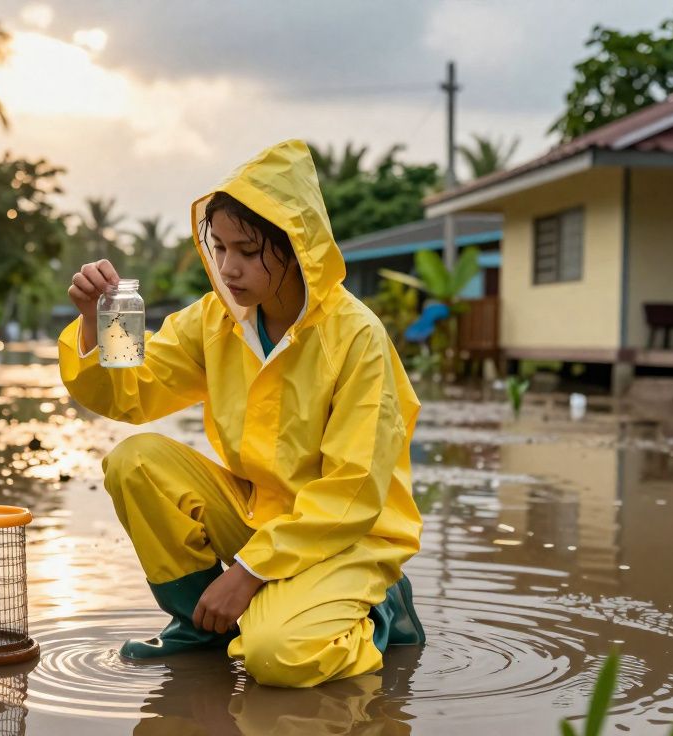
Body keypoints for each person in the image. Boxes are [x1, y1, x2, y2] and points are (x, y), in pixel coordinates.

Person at [58, 139, 425, 689]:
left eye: (249, 251)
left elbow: (353, 491)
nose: (228, 267)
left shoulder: (357, 339)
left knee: (275, 656)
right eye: (221, 247)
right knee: (135, 462)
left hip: (350, 534)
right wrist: (94, 321)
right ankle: (200, 625)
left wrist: (249, 574)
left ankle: (379, 612)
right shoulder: (215, 320)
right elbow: (130, 395)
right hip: (259, 513)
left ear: (298, 248)